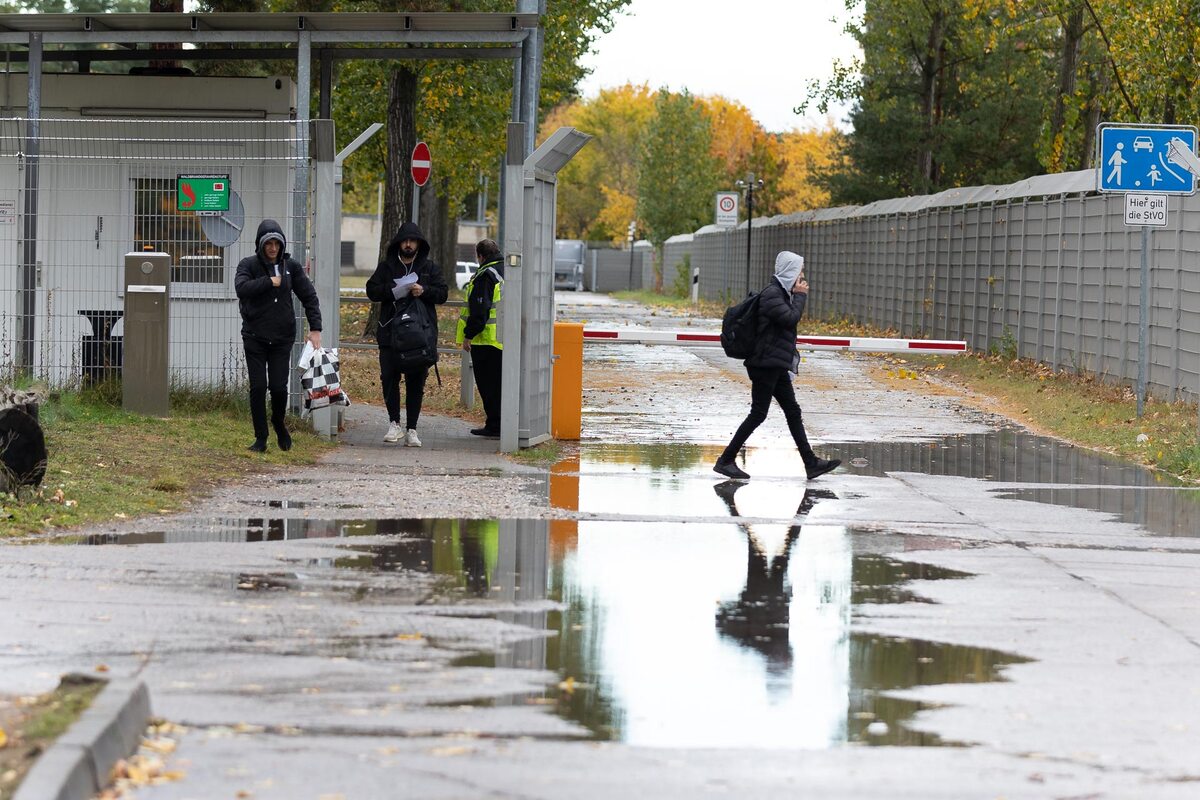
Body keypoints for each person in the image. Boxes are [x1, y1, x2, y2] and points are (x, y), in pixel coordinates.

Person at [714, 251, 840, 481]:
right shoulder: (772, 294)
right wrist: (801, 296)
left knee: (792, 411)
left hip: (775, 363)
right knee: (759, 413)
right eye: (799, 270)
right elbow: (790, 319)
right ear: (789, 271)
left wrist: (795, 295)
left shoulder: (781, 293)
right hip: (765, 364)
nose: (802, 275)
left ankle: (811, 463)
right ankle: (725, 460)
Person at [235, 219, 322, 453]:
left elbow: (309, 297)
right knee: (258, 387)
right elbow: (241, 289)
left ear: (282, 245)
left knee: (279, 387)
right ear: (261, 245)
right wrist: (268, 282)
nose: (273, 248)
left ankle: (278, 422)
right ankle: (261, 437)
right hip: (255, 336)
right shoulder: (249, 265)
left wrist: (315, 329)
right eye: (268, 244)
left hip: (282, 339)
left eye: (276, 243)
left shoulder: (291, 267)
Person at [365, 221, 448, 446]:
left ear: (419, 244)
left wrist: (424, 290)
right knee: (389, 378)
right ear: (398, 243)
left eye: (413, 241)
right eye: (405, 241)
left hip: (420, 335)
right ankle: (394, 424)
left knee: (416, 381)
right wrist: (392, 291)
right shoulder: (386, 267)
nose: (409, 244)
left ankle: (412, 429)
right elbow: (371, 290)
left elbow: (443, 294)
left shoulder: (429, 268)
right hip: (390, 333)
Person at [456, 238, 504, 438]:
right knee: (501, 385)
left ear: (480, 256)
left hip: (486, 341)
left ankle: (494, 425)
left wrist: (468, 335)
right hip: (504, 339)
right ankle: (503, 423)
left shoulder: (485, 275)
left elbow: (479, 310)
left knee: (488, 386)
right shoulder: (505, 271)